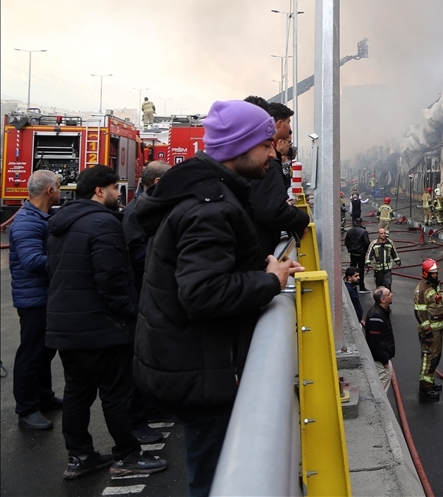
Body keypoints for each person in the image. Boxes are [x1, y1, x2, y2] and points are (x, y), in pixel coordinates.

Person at [133, 100, 301, 497]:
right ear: (241, 148)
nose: (272, 151)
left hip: (190, 360)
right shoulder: (210, 207)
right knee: (213, 481)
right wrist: (270, 282)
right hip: (200, 370)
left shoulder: (205, 193)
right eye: (265, 145)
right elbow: (202, 293)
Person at [47, 165, 168, 480]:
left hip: (65, 326)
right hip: (102, 327)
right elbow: (111, 278)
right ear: (99, 191)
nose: (118, 194)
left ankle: (80, 456)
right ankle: (127, 455)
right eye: (115, 188)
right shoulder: (103, 223)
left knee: (77, 393)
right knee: (116, 395)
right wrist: (132, 313)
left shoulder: (61, 223)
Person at [120, 160, 170, 444]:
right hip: (141, 293)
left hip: (149, 292)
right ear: (158, 184)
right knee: (141, 357)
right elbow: (135, 255)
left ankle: (152, 407)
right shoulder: (137, 213)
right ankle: (139, 418)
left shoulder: (148, 209)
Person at [9, 169, 62, 431]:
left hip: (42, 295)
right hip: (34, 299)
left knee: (44, 350)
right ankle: (27, 409)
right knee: (32, 353)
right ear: (50, 191)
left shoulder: (40, 217)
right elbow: (31, 262)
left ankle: (44, 396)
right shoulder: (28, 222)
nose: (61, 191)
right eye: (59, 187)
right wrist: (66, 259)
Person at [244, 98, 310, 258]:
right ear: (279, 124)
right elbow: (270, 210)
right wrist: (301, 219)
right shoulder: (265, 161)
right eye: (288, 122)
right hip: (257, 253)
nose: (289, 128)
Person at [413, 259, 443, 402]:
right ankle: (425, 389)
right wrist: (427, 331)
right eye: (433, 273)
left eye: (436, 273)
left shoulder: (435, 285)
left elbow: (439, 305)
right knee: (428, 359)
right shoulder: (422, 290)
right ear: (426, 273)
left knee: (435, 358)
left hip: (438, 329)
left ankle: (430, 383)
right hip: (430, 332)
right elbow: (419, 313)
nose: (436, 275)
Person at [364, 287, 395, 393]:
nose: (392, 295)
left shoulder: (381, 312)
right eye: (389, 294)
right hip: (381, 360)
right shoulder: (376, 316)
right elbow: (374, 342)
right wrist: (384, 360)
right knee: (381, 387)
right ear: (382, 300)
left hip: (382, 357)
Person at [344, 217, 370, 291]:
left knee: (352, 269)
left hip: (353, 253)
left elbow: (346, 242)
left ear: (355, 222)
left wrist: (350, 249)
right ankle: (361, 287)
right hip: (361, 254)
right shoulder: (364, 231)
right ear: (361, 223)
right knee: (361, 270)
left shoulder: (350, 231)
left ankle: (351, 284)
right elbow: (367, 243)